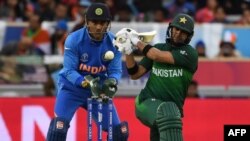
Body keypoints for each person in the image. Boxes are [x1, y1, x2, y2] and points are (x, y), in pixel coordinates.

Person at [46, 3, 129, 141]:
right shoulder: (74, 39)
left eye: (102, 23)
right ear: (86, 21)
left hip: (99, 91)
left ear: (108, 23)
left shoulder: (114, 42)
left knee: (118, 133)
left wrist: (112, 82)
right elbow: (68, 71)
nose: (98, 27)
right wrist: (84, 82)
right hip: (72, 89)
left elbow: (115, 71)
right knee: (58, 130)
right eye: (94, 22)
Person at [115, 13, 198, 141]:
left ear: (189, 36)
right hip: (146, 102)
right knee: (168, 113)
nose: (178, 33)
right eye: (176, 29)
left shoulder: (190, 54)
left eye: (183, 32)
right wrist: (128, 51)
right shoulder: (159, 47)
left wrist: (136, 41)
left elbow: (156, 55)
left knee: (170, 117)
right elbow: (135, 74)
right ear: (171, 28)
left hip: (171, 114)